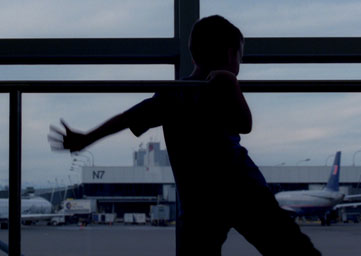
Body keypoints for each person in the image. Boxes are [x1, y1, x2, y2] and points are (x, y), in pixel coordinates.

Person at [49, 15, 321, 256]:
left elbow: (128, 118)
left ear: (193, 55)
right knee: (291, 249)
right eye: (240, 55)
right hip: (243, 188)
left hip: (197, 201)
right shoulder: (223, 84)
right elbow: (245, 123)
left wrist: (86, 138)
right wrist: (231, 83)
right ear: (230, 54)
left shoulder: (171, 94)